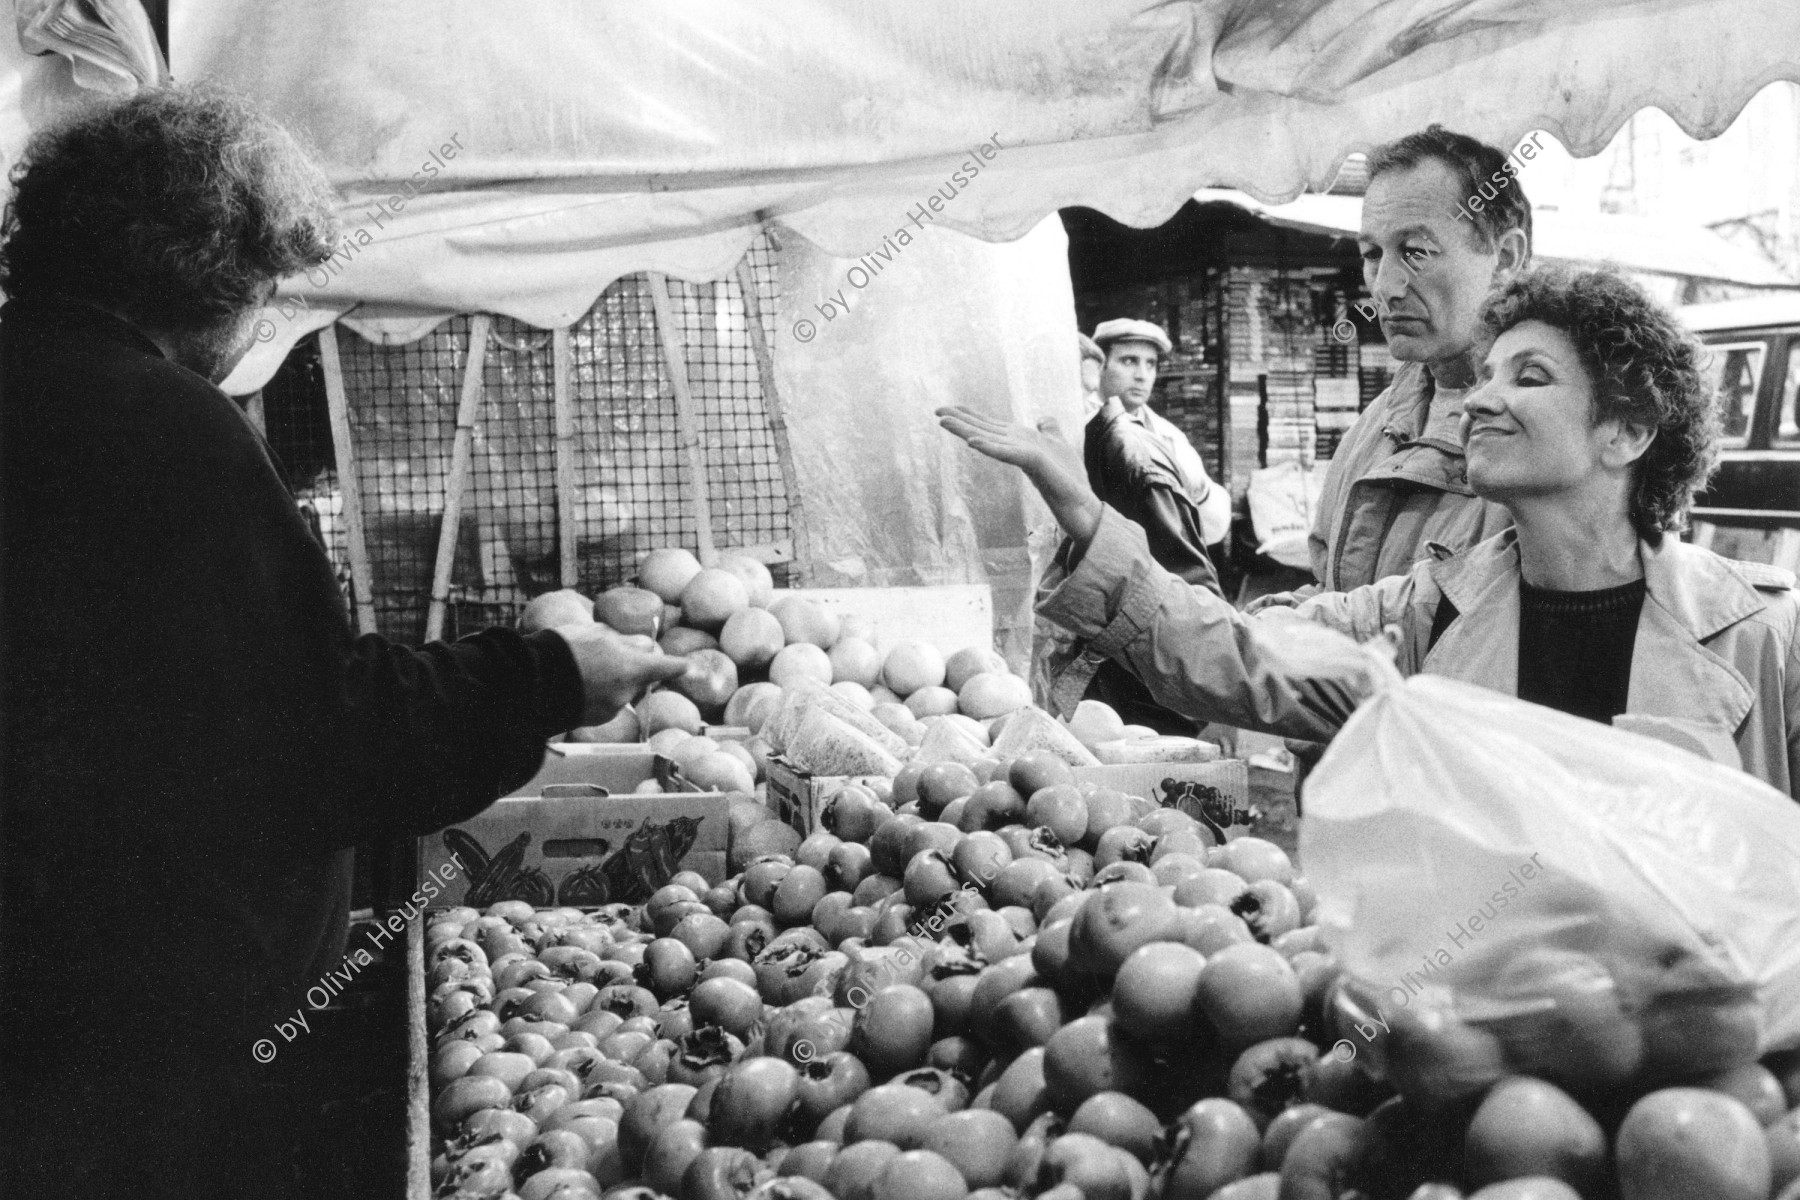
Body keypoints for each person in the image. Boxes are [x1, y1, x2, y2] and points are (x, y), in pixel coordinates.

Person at [0, 88, 686, 1199]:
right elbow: (311, 734)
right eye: (265, 293)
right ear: (211, 277)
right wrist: (552, 674)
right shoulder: (160, 424)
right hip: (151, 1029)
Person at [942, 266, 1800, 797]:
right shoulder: (1430, 612)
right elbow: (1238, 652)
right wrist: (1082, 508)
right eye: (1488, 374)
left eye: (1529, 377)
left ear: (1628, 430)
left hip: (1709, 1073)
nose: (1486, 398)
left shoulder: (1761, 636)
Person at [1270, 126, 1530, 604]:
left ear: (1506, 258)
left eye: (1415, 251)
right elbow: (1332, 591)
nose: (1385, 287)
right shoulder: (1374, 427)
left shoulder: (1547, 435)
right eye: (1372, 254)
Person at [1041, 318, 1227, 732]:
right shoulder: (1085, 442)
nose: (1141, 374)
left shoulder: (1142, 452)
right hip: (1105, 655)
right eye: (1129, 361)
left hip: (1146, 660)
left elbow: (1194, 568)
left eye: (1149, 363)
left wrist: (1216, 702)